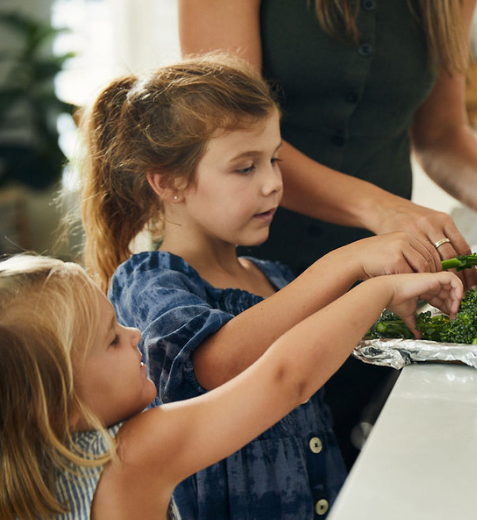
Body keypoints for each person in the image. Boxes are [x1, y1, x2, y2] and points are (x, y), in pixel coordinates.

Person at [77, 53, 452, 520]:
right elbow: (217, 364)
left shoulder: (273, 278)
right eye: (244, 167)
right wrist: (351, 260)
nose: (274, 184)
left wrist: (411, 299)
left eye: (274, 160)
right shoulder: (148, 282)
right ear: (169, 183)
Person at [178, 0, 477, 467]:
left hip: (386, 288)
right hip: (257, 279)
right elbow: (222, 130)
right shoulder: (174, 291)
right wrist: (378, 209)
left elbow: (442, 131)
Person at [0, 254, 462, 520]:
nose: (135, 335)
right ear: (60, 405)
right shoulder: (130, 458)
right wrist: (376, 289)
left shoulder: (32, 482)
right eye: (112, 340)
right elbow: (284, 378)